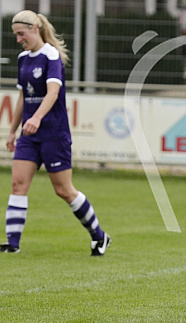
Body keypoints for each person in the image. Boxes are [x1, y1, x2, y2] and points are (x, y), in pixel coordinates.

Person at [2, 10, 110, 256]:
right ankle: (12, 244)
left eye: (21, 34)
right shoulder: (22, 58)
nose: (18, 39)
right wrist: (11, 132)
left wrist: (37, 118)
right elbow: (22, 98)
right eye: (16, 35)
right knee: (18, 184)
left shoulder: (51, 56)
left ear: (35, 29)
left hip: (54, 133)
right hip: (30, 135)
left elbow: (52, 93)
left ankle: (100, 236)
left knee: (63, 190)